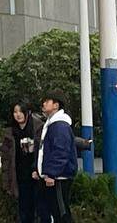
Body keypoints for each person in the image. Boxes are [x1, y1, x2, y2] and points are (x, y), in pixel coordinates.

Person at [34, 91, 78, 223]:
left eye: (47, 101)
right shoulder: (52, 124)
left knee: (61, 213)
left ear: (56, 105)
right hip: (52, 176)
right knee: (50, 211)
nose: (44, 103)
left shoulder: (60, 126)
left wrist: (52, 173)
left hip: (59, 178)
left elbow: (60, 152)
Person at [2, 101, 43, 223]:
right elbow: (5, 157)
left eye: (20, 111)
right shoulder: (10, 132)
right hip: (19, 175)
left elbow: (43, 151)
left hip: (36, 175)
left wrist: (37, 169)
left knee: (38, 209)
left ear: (27, 112)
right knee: (23, 211)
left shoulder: (38, 128)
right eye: (15, 112)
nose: (18, 114)